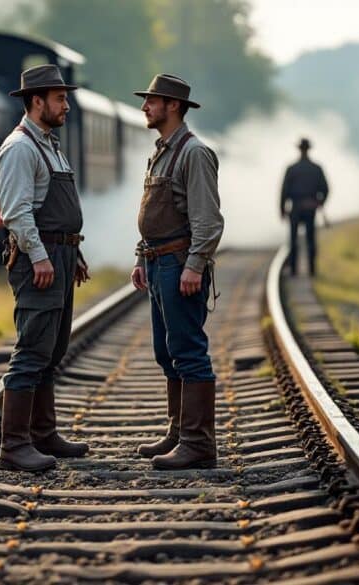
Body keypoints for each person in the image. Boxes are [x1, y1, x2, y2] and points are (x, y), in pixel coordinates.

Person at [0, 64, 91, 471]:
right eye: (60, 98)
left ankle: (43, 434)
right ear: (37, 102)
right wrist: (39, 257)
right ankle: (14, 445)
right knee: (33, 349)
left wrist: (74, 252)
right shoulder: (19, 148)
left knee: (52, 350)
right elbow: (16, 213)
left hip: (59, 255)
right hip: (41, 260)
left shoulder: (49, 143)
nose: (66, 105)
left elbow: (58, 208)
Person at [130, 74, 224, 470]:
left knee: (189, 352)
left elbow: (208, 221)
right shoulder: (163, 151)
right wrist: (141, 256)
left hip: (178, 264)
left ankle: (198, 443)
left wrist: (194, 266)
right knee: (167, 353)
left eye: (151, 100)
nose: (145, 106)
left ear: (172, 106)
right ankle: (178, 431)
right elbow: (153, 213)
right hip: (157, 262)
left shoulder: (193, 153)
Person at [280, 138, 329, 276]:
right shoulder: (316, 168)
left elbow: (284, 190)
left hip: (295, 207)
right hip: (310, 207)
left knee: (293, 239)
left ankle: (294, 270)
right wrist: (319, 202)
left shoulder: (292, 169)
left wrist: (282, 209)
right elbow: (325, 189)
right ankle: (312, 270)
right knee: (310, 240)